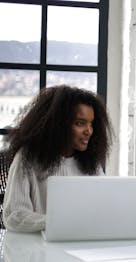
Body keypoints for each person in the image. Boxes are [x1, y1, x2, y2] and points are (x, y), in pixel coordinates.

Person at [2, 85, 113, 233]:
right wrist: (59, 222)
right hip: (37, 250)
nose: (89, 131)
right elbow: (14, 217)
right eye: (80, 123)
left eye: (91, 123)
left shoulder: (90, 163)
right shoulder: (26, 159)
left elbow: (103, 208)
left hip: (80, 245)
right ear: (58, 124)